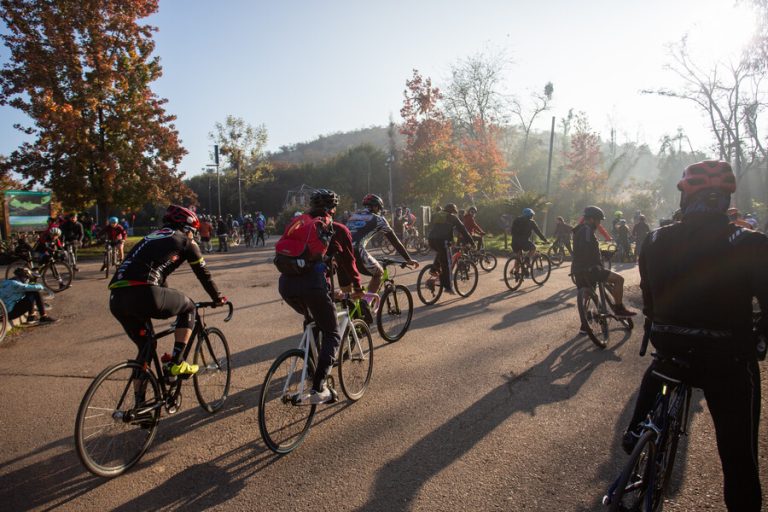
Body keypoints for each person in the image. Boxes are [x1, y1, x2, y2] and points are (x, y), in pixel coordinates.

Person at [623, 160, 764, 512]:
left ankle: (635, 431)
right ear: (726, 201)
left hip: (668, 343)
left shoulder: (655, 239)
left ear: (685, 199)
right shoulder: (751, 243)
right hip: (726, 359)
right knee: (738, 459)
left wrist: (659, 323)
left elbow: (649, 298)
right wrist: (759, 339)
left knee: (661, 365)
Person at [109, 205, 225, 389]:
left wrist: (167, 299)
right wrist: (218, 297)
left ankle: (139, 402)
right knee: (189, 307)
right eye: (193, 231)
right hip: (145, 292)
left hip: (117, 298)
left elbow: (158, 276)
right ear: (186, 228)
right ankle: (176, 363)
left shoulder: (151, 237)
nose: (193, 235)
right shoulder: (186, 241)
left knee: (146, 348)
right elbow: (204, 274)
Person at [276, 189, 363, 404]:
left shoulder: (299, 223)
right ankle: (318, 387)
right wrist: (356, 287)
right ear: (333, 208)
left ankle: (311, 369)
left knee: (313, 321)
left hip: (286, 285)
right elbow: (348, 262)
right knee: (332, 333)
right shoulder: (337, 228)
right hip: (313, 285)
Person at [571, 206, 637, 329]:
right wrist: (596, 262)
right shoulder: (587, 230)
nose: (599, 223)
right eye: (598, 220)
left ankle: (584, 325)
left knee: (588, 294)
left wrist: (603, 253)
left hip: (577, 271)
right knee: (619, 280)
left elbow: (585, 249)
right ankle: (619, 309)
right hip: (591, 269)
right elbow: (586, 248)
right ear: (592, 219)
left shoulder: (578, 230)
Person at [345, 193, 418, 298]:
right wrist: (408, 259)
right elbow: (395, 241)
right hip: (356, 250)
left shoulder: (353, 216)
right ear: (375, 207)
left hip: (341, 251)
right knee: (379, 273)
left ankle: (348, 305)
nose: (379, 211)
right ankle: (367, 302)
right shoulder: (379, 219)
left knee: (348, 289)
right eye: (379, 208)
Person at [426, 203, 473, 295]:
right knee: (447, 263)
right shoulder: (452, 218)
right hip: (442, 241)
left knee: (441, 254)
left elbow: (432, 227)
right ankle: (448, 287)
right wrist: (472, 242)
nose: (454, 214)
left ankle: (434, 269)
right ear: (452, 211)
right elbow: (463, 230)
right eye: (453, 212)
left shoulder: (437, 215)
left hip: (431, 240)